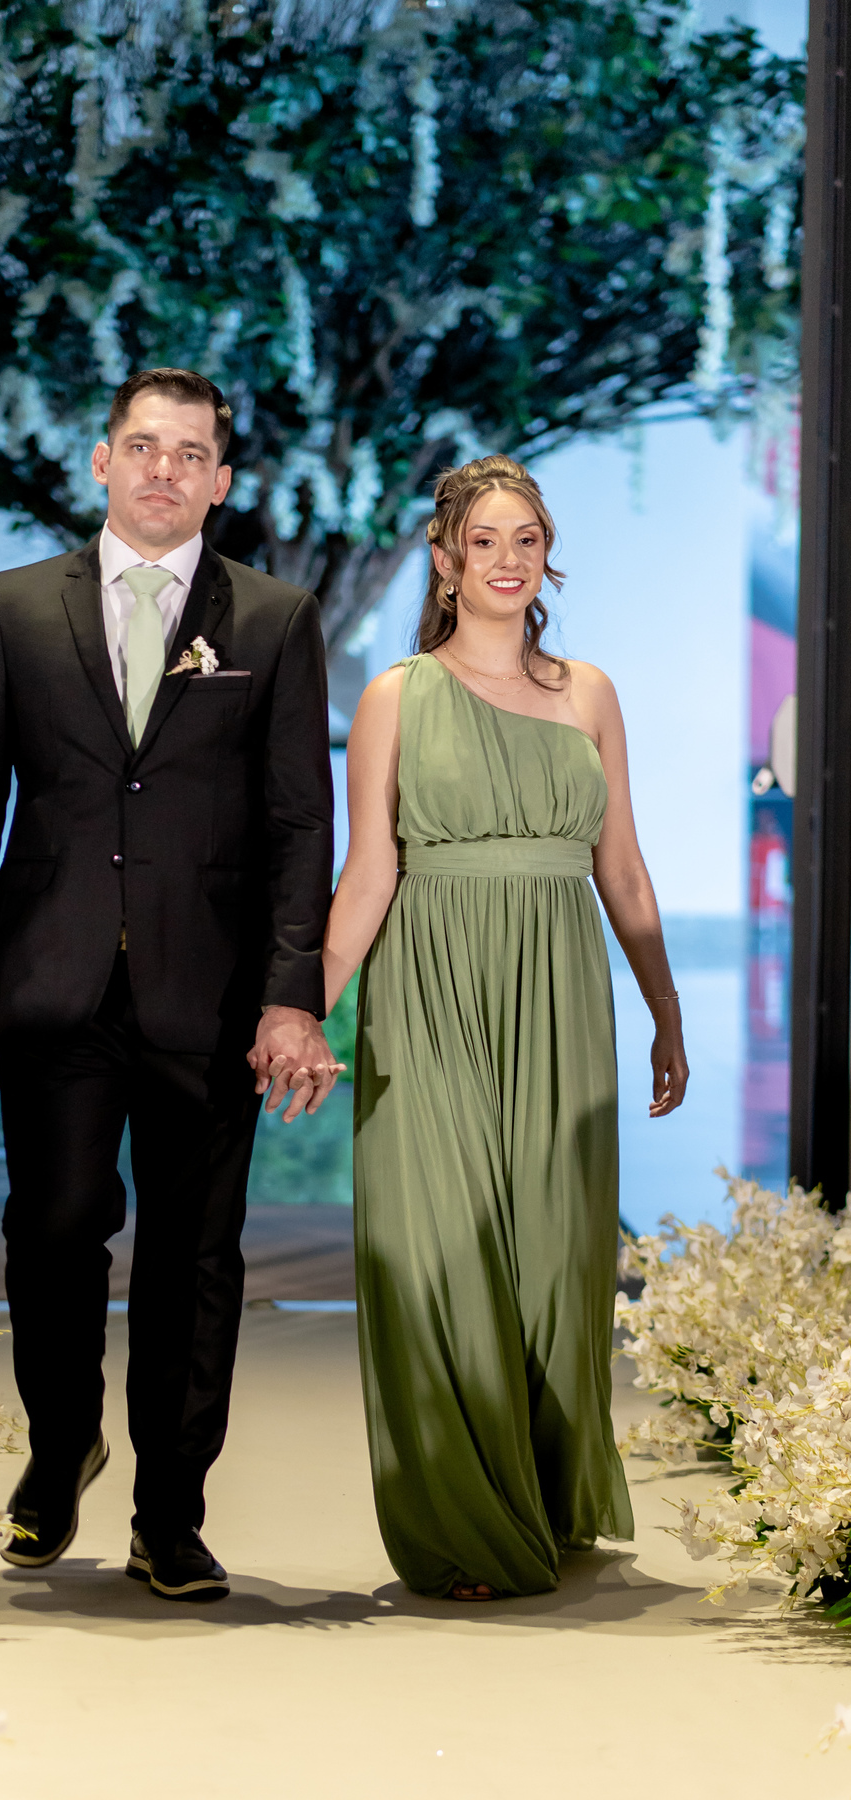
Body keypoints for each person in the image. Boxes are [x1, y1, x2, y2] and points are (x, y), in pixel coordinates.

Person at [0, 367, 340, 1602]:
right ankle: (61, 1449)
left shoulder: (274, 619)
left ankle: (172, 1514)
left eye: (190, 453)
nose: (166, 469)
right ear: (102, 461)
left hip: (210, 997)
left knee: (196, 1259)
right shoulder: (13, 608)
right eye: (144, 447)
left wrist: (292, 995)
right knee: (54, 1233)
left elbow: (300, 824)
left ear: (222, 480)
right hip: (49, 984)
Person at [321, 454, 689, 1600]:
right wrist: (301, 1011)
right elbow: (368, 871)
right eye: (484, 540)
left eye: (526, 538)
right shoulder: (395, 696)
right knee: (437, 1244)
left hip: (561, 990)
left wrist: (665, 1006)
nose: (507, 558)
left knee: (551, 1254)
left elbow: (622, 867)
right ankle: (464, 1521)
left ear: (547, 558)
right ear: (445, 562)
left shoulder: (590, 694)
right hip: (428, 986)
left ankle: (542, 1490)